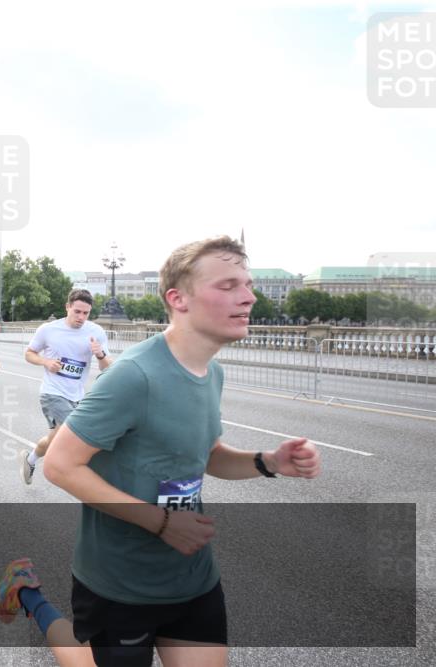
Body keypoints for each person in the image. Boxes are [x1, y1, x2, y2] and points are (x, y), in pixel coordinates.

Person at [43, 237, 322, 666]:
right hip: (119, 586)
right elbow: (61, 466)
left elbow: (206, 455)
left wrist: (268, 462)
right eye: (228, 285)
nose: (249, 296)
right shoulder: (134, 376)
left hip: (193, 581)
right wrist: (161, 522)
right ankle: (33, 602)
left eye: (246, 285)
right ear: (179, 298)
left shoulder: (212, 374)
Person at [21, 289, 112, 485]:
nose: (81, 317)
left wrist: (100, 355)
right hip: (52, 393)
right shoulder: (48, 329)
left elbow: (107, 368)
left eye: (85, 313)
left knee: (54, 439)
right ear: (67, 307)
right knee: (77, 432)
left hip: (77, 395)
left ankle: (30, 459)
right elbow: (29, 353)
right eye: (77, 311)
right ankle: (89, 481)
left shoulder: (96, 332)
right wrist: (46, 362)